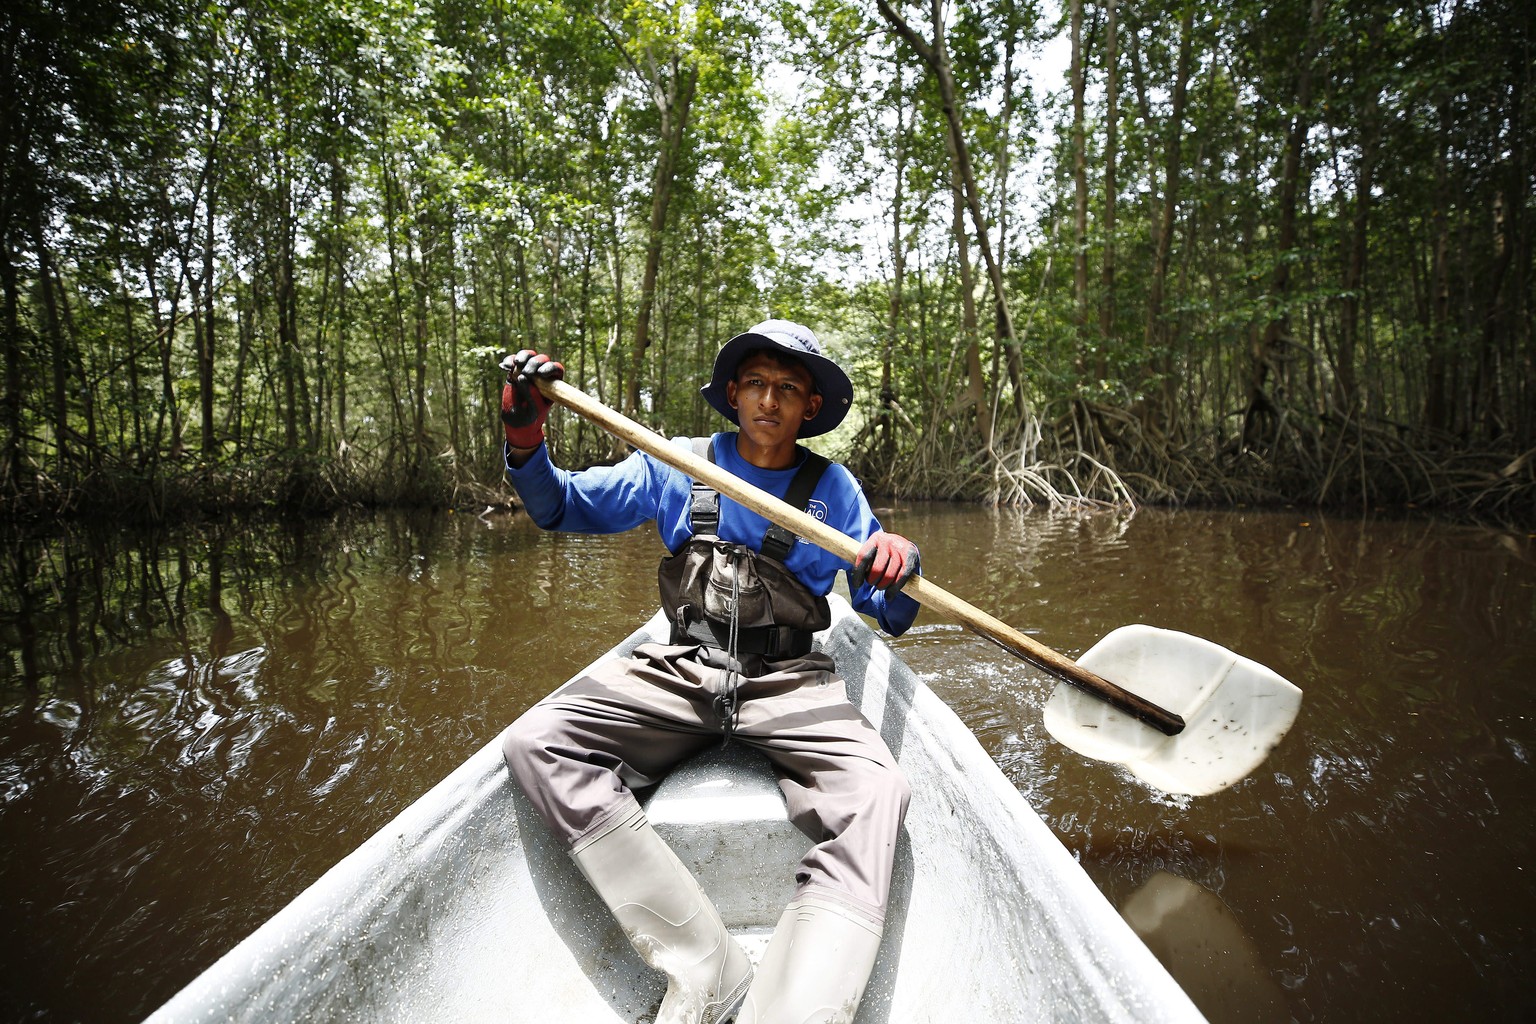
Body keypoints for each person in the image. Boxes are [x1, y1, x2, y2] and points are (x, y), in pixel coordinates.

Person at [498, 319, 921, 1024]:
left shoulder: (834, 489)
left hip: (790, 679)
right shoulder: (676, 461)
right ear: (732, 392)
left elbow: (888, 609)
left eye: (789, 389)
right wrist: (523, 440)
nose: (770, 400)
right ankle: (707, 968)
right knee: (535, 741)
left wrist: (899, 563)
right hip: (685, 668)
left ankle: (792, 1008)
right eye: (756, 382)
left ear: (808, 410)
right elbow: (558, 506)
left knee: (880, 794)